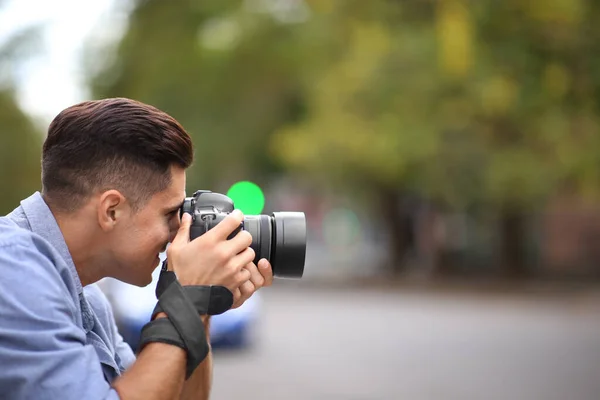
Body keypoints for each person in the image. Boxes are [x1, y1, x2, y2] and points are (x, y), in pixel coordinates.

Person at [0, 97, 273, 399]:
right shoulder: (12, 271)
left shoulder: (87, 298)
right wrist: (184, 298)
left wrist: (200, 307)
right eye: (170, 214)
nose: (178, 232)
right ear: (112, 210)